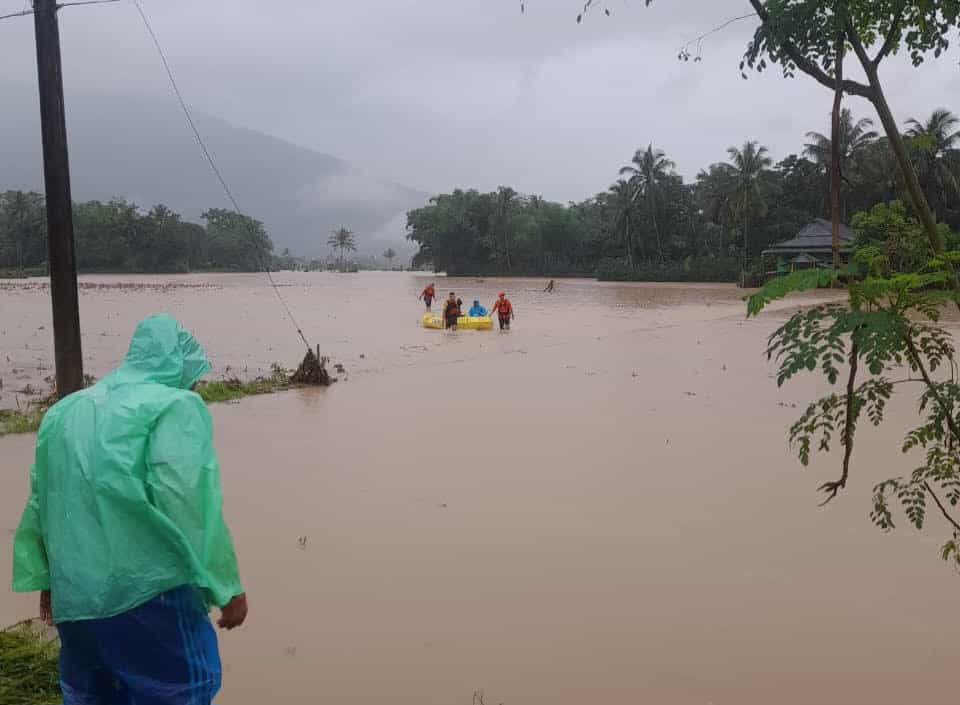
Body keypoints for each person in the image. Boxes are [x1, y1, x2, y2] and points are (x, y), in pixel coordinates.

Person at [12, 314, 247, 705]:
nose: (195, 386)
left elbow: (43, 502)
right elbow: (189, 505)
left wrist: (47, 582)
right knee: (181, 691)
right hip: (150, 594)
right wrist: (226, 587)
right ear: (181, 367)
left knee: (93, 696)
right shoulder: (174, 406)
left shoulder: (65, 411)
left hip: (76, 597)